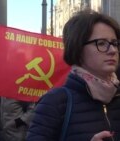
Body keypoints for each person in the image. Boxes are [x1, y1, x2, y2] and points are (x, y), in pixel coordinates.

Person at [27, 10, 120, 141]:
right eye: (101, 43)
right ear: (78, 48)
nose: (113, 50)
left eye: (115, 43)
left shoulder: (116, 96)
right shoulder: (55, 102)